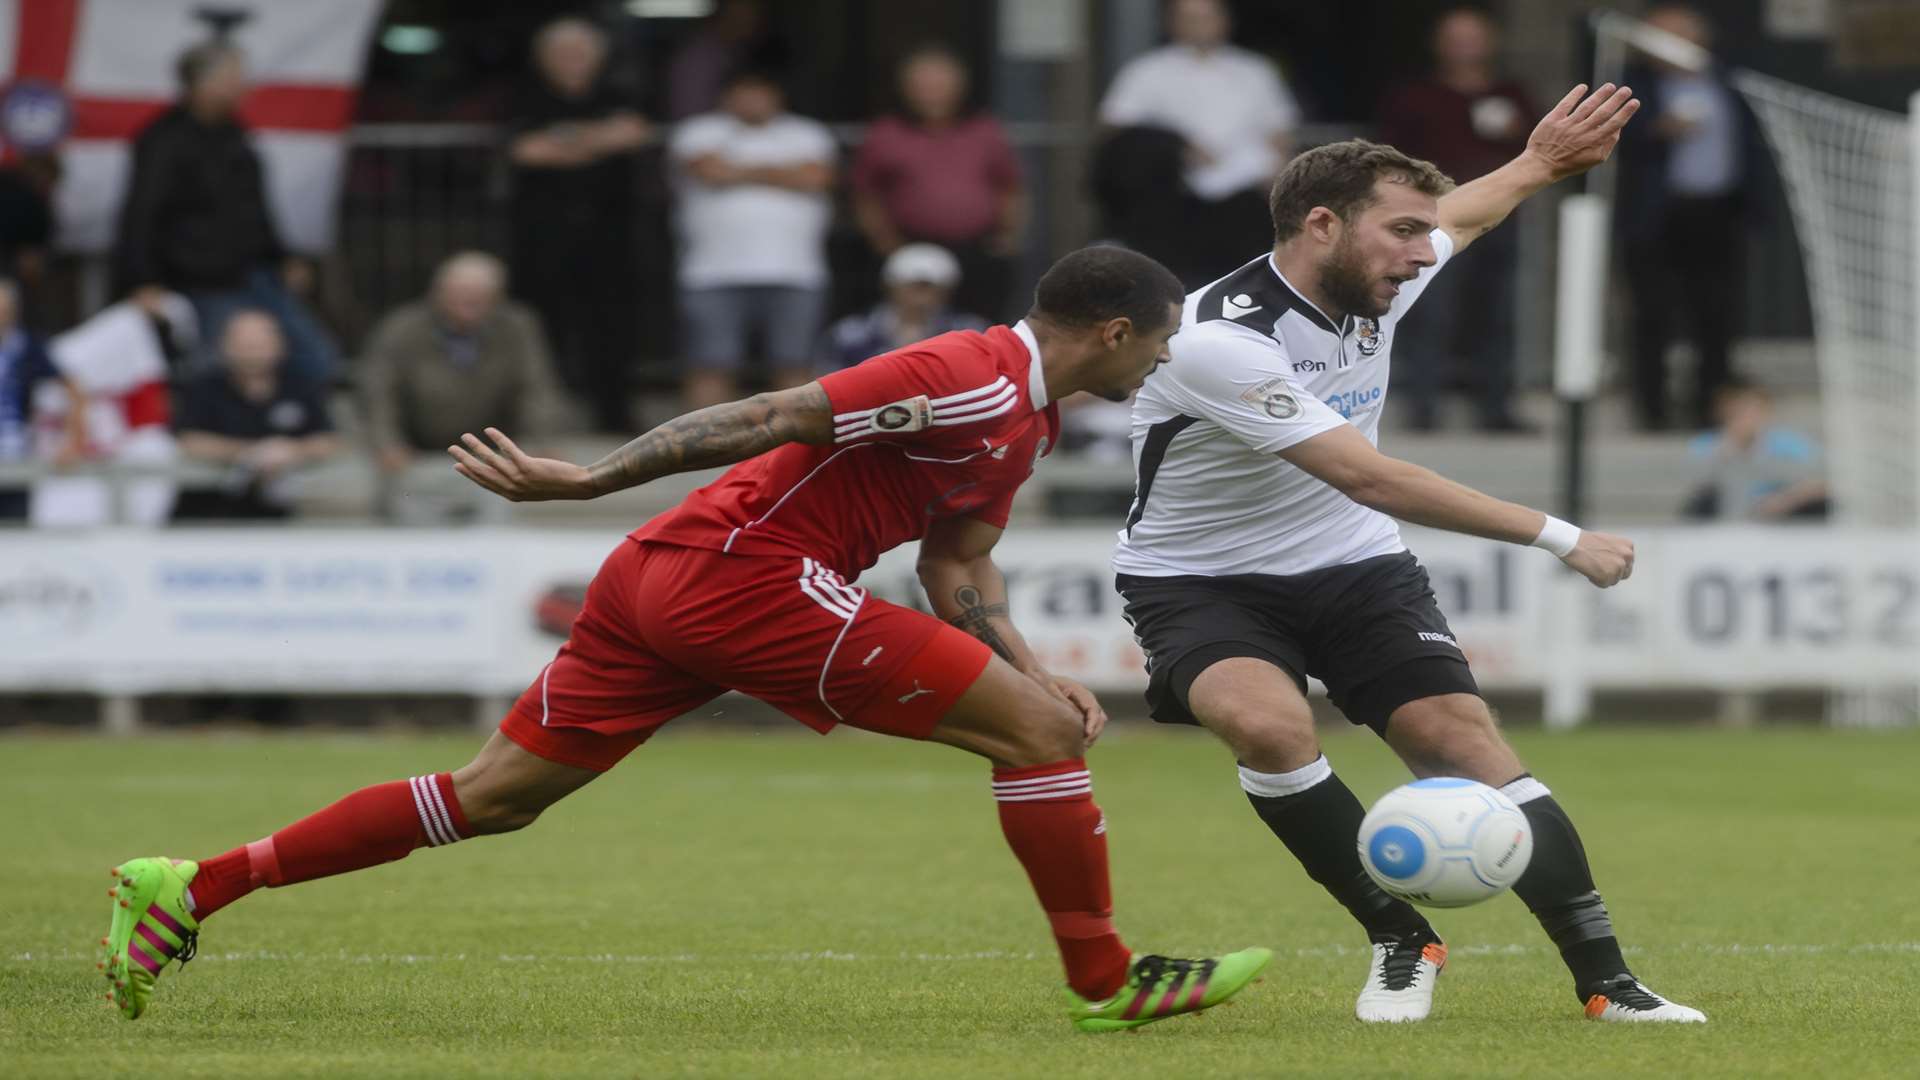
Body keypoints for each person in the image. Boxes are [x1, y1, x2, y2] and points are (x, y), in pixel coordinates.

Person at [99, 246, 1273, 1030]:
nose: (1163, 363)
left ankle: (191, 884)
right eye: (1158, 345)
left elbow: (954, 562)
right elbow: (771, 412)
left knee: (495, 796)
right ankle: (1106, 982)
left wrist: (1036, 667)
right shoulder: (969, 374)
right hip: (739, 574)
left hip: (670, 575)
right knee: (1031, 744)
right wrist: (592, 478)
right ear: (1114, 331)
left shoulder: (1027, 425)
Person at [1112, 85, 1707, 1024]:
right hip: (1200, 577)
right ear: (1322, 226)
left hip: (1350, 562)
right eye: (1402, 232)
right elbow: (1372, 477)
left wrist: (1542, 162)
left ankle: (1609, 984)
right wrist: (1560, 535)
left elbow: (1469, 209)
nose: (1425, 253)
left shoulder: (1376, 273)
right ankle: (1401, 936)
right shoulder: (1219, 341)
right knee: (1267, 728)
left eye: (1423, 234)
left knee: (1462, 743)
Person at [113, 42, 339, 384]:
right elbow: (141, 215)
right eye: (234, 78)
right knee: (216, 373)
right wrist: (143, 280)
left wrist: (282, 256)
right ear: (204, 84)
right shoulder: (163, 140)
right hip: (198, 281)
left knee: (315, 360)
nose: (244, 86)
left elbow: (256, 206)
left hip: (256, 273)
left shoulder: (236, 132)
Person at [1375, 7, 1536, 433]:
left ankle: (1496, 408)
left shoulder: (1512, 93)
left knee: (1497, 316)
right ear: (1439, 44)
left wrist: (1514, 130)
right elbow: (1389, 159)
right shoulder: (1414, 96)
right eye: (1456, 37)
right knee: (1428, 312)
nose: (1465, 46)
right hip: (1432, 220)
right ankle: (1422, 407)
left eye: (1473, 37)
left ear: (1491, 42)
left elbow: (1538, 151)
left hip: (1499, 219)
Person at [1615, 4, 1768, 431]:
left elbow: (1751, 143)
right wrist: (1654, 132)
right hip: (1657, 215)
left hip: (1718, 213)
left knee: (1716, 316)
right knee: (1653, 314)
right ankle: (1653, 410)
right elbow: (1610, 148)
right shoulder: (1630, 84)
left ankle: (1709, 408)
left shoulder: (1728, 80)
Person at [508, 17, 653, 434]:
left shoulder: (621, 92)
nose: (572, 62)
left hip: (611, 234)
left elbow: (632, 134)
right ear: (542, 59)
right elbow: (526, 150)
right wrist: (597, 140)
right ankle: (539, 419)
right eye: (562, 54)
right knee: (541, 327)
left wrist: (565, 141)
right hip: (541, 236)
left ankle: (614, 414)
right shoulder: (525, 96)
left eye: (580, 54)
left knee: (612, 326)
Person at [1098, 0, 1300, 285]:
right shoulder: (1147, 71)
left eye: (1206, 17)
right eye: (1189, 18)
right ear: (1172, 23)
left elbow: (1279, 130)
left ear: (1225, 21)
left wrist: (1278, 176)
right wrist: (1176, 149)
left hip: (1244, 197)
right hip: (1171, 200)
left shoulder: (1254, 70)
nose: (1198, 26)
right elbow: (1118, 127)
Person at [670, 70, 836, 410]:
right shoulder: (698, 131)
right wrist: (783, 172)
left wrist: (738, 170)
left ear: (777, 95)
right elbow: (709, 171)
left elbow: (815, 177)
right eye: (744, 91)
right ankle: (698, 455)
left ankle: (797, 456)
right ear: (726, 96)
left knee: (795, 367)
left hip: (796, 272)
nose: (753, 100)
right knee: (710, 365)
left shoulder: (809, 133)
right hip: (712, 273)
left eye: (761, 91)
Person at [851, 45, 1025, 322]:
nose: (931, 93)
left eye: (939, 85)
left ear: (959, 88)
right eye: (922, 85)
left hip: (976, 250)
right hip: (910, 248)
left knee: (982, 329)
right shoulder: (886, 133)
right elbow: (866, 194)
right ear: (906, 89)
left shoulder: (984, 130)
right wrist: (886, 244)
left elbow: (1009, 186)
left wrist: (1007, 237)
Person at [362, 252, 568, 477]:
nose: (469, 301)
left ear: (498, 298)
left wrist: (544, 441)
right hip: (418, 446)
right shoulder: (402, 328)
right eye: (460, 292)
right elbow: (378, 391)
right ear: (437, 293)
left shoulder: (516, 327)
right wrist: (388, 443)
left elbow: (536, 387)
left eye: (480, 295)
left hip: (492, 444)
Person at [171, 310, 340, 520]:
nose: (252, 353)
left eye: (259, 345)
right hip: (206, 514)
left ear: (279, 345)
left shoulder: (300, 386)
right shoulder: (204, 387)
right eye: (244, 345)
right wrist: (250, 454)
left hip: (279, 518)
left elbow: (328, 439)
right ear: (225, 346)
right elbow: (187, 439)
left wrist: (292, 451)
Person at [820, 243, 986, 372]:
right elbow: (828, 382)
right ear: (891, 286)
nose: (922, 296)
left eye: (930, 287)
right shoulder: (850, 333)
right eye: (914, 286)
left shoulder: (970, 332)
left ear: (947, 290)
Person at [1681, 379, 1828, 520]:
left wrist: (1783, 500)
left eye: (1752, 410)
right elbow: (1697, 486)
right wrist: (1727, 450)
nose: (1747, 417)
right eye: (1738, 411)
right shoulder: (1706, 444)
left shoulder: (1789, 442)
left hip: (1780, 512)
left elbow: (1820, 481)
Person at [0, 279, 85, 520]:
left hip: (16, 458)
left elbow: (75, 389)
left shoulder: (26, 346)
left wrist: (73, 439)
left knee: (15, 536)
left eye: (5, 311)